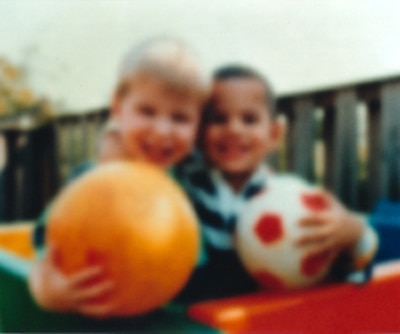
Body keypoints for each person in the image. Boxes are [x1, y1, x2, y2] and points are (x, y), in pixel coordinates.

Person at [28, 37, 210, 317]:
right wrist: (46, 291)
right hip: (97, 318)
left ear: (197, 125)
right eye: (146, 111)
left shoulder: (193, 185)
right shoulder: (91, 183)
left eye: (180, 118)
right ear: (117, 108)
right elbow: (45, 249)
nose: (162, 130)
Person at [177, 64, 378, 301]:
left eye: (249, 119)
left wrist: (353, 234)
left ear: (274, 134)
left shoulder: (290, 201)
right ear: (199, 132)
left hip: (261, 314)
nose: (233, 129)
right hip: (196, 316)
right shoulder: (186, 186)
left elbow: (357, 270)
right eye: (218, 119)